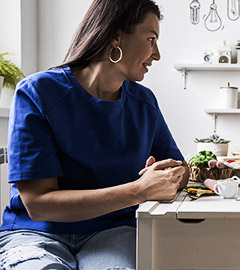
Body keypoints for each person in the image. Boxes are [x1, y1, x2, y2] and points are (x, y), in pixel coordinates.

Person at [0, 0, 189, 269]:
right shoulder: (37, 93)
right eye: (150, 39)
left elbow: (179, 169)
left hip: (113, 233)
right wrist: (138, 191)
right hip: (35, 234)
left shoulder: (144, 103)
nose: (156, 54)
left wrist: (172, 176)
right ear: (115, 35)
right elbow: (39, 205)